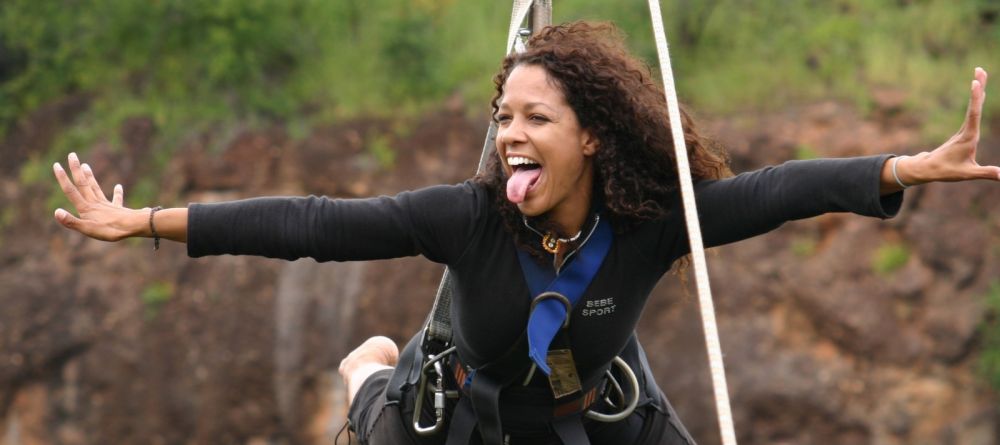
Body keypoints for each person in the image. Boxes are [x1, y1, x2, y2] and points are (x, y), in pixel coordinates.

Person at [51, 22, 996, 445]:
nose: (510, 134)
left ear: (591, 137)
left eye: (536, 118)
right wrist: (142, 221)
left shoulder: (649, 226)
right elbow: (316, 225)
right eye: (504, 116)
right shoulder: (469, 217)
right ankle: (365, 367)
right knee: (381, 398)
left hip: (595, 410)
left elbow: (777, 190)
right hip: (462, 407)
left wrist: (903, 168)